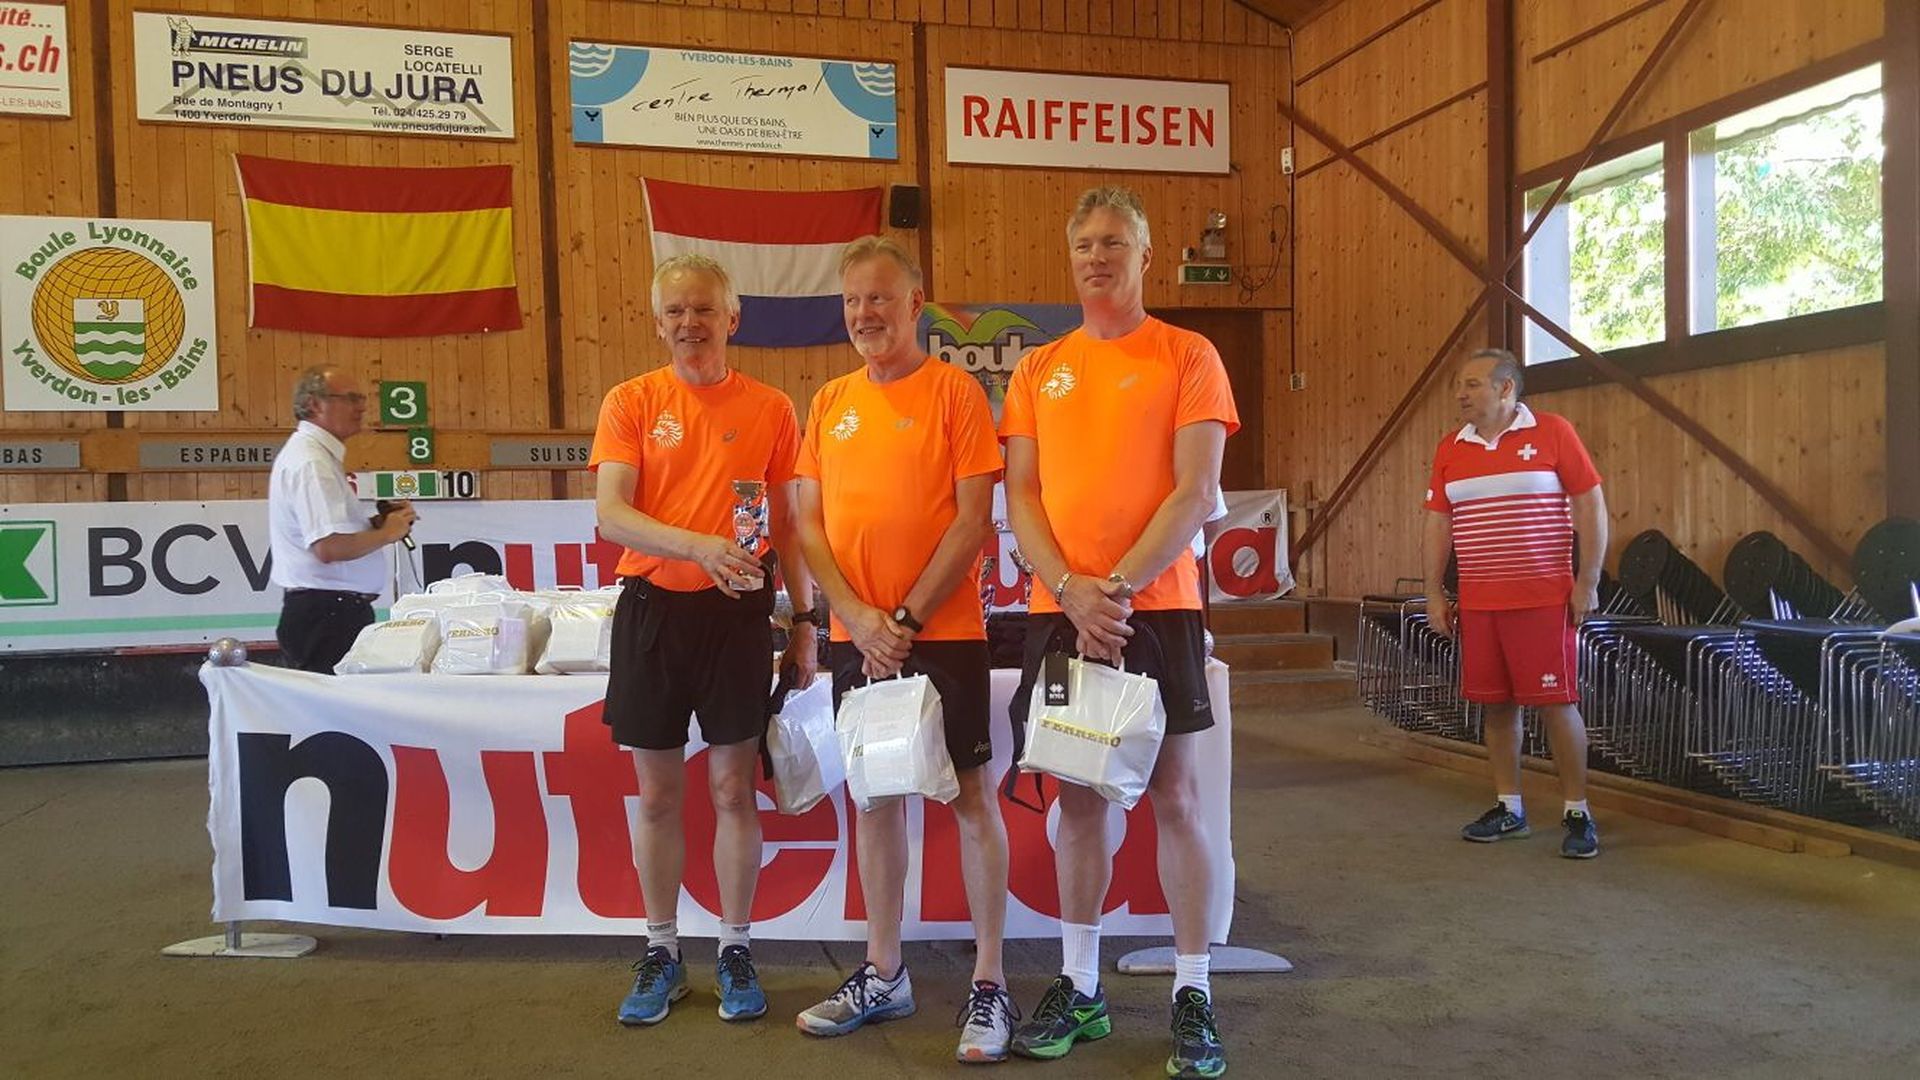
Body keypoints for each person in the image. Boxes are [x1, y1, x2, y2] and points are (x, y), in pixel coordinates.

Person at [1001, 187, 1239, 1080]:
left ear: (1145, 255)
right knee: (1079, 799)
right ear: (1071, 259)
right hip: (1061, 612)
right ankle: (1080, 984)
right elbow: (1022, 495)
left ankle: (1193, 990)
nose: (1097, 257)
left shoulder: (1188, 354)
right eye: (1084, 245)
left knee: (1175, 798)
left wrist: (1118, 591)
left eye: (1114, 243)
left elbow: (1195, 490)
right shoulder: (1039, 369)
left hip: (1158, 609)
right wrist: (1072, 593)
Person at [789, 237, 1015, 1062]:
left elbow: (973, 520)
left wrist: (905, 620)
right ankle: (884, 972)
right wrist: (855, 617)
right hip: (860, 640)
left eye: (879, 298)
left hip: (942, 635)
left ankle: (989, 983)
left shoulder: (956, 393)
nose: (865, 314)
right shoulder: (830, 401)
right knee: (875, 801)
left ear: (915, 304)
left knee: (970, 799)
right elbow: (809, 523)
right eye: (853, 300)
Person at [591, 253, 818, 1027]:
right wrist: (697, 546)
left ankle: (735, 947)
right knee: (659, 794)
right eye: (676, 312)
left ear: (733, 318)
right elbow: (612, 515)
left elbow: (787, 525)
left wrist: (806, 623)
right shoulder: (631, 401)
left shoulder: (771, 408)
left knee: (731, 790)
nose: (690, 323)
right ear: (658, 323)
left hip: (737, 618)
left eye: (703, 310)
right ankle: (661, 950)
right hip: (652, 613)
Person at [1422, 347, 1608, 859]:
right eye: (1458, 385)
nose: (1461, 394)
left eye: (1472, 384)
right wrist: (1434, 591)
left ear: (1506, 388)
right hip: (1480, 601)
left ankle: (1578, 812)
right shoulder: (1451, 447)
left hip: (1543, 598)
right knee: (1496, 706)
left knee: (1556, 703)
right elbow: (1438, 523)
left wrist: (1587, 579)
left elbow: (1590, 503)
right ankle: (1510, 808)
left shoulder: (1553, 432)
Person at [268, 366, 415, 673]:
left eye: (361, 398)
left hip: (329, 613)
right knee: (332, 704)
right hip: (328, 616)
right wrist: (387, 533)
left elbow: (332, 539)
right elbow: (329, 547)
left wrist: (374, 526)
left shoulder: (315, 457)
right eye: (350, 398)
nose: (361, 407)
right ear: (314, 404)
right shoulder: (312, 463)